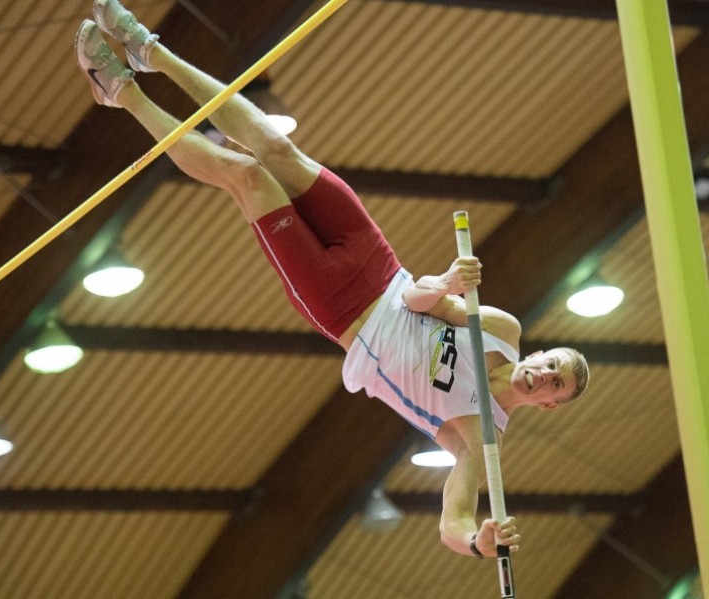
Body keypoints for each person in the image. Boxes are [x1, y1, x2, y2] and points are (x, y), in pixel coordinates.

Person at [76, 0, 590, 560]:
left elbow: (453, 522)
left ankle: (122, 92)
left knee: (245, 174)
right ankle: (152, 51)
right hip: (378, 262)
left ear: (548, 406)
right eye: (551, 362)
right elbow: (420, 300)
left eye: (553, 382)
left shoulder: (478, 441)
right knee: (275, 146)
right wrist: (443, 283)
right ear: (539, 353)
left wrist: (478, 541)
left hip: (342, 306)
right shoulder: (500, 329)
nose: (542, 373)